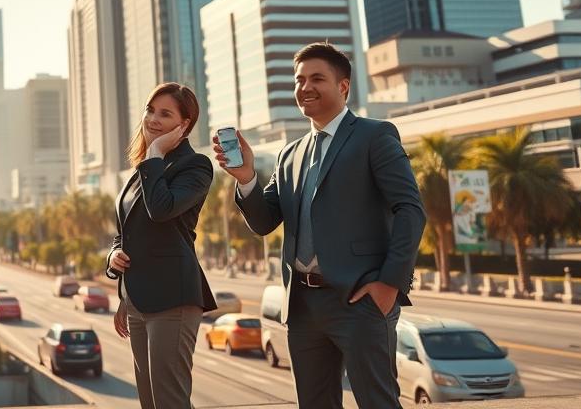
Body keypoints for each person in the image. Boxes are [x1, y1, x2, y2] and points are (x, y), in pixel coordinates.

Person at [216, 42, 426, 408]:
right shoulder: (289, 154)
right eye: (299, 80)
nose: (304, 87)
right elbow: (265, 222)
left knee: (378, 402)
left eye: (317, 78)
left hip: (361, 300)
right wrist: (247, 177)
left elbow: (411, 210)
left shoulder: (374, 136)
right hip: (303, 306)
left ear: (343, 86)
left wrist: (389, 285)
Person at [105, 82, 217, 409]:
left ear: (184, 125)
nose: (152, 119)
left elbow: (162, 209)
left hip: (173, 298)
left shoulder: (195, 166)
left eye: (165, 114)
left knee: (170, 400)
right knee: (150, 402)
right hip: (138, 300)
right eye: (150, 110)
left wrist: (155, 154)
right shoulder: (141, 170)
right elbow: (125, 231)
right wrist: (114, 259)